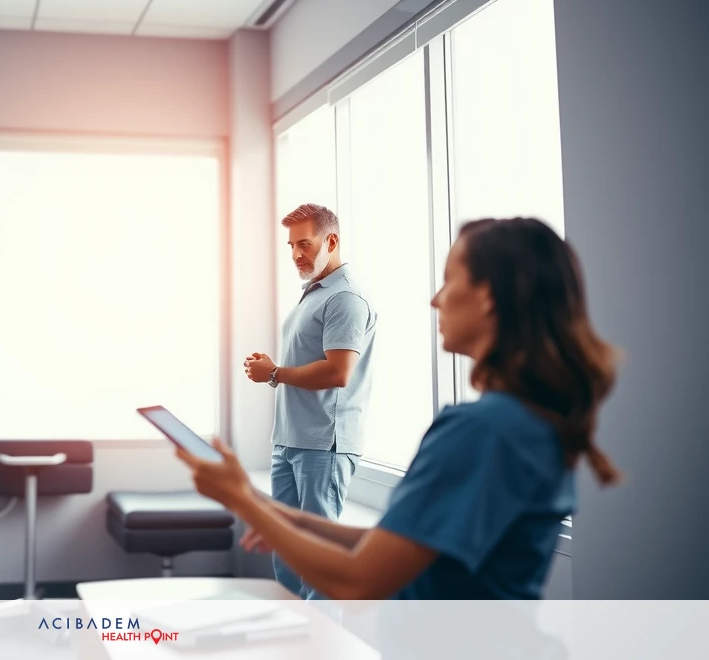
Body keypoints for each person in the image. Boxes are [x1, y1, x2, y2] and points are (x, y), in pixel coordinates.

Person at [181, 217, 621, 599]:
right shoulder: (524, 423)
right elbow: (390, 545)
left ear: (487, 296)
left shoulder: (480, 431)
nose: (435, 299)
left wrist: (241, 499)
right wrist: (265, 509)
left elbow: (360, 580)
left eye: (450, 280)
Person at [244, 204, 377, 598]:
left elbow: (337, 372)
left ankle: (321, 636)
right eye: (291, 246)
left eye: (304, 243)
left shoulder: (346, 298)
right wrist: (272, 369)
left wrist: (274, 373)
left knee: (318, 565)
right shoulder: (314, 294)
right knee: (286, 556)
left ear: (331, 241)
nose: (295, 254)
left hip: (322, 445)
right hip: (289, 440)